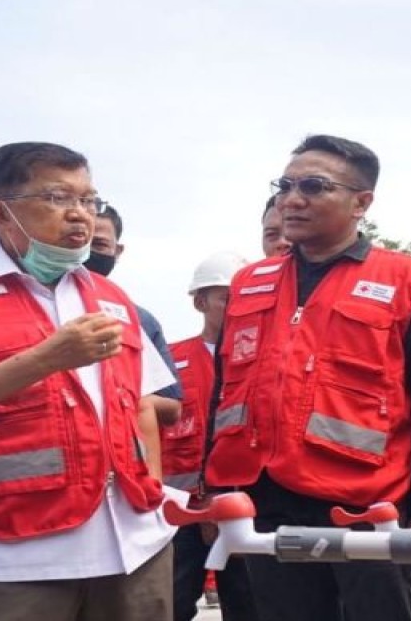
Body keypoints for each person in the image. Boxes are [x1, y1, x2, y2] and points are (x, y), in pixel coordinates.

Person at [0, 142, 180, 621]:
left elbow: (144, 406)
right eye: (57, 198)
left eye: (89, 201)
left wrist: (150, 490)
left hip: (134, 544)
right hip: (9, 552)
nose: (80, 215)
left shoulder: (110, 296)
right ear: (2, 215)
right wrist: (46, 359)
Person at [204, 134, 411, 621]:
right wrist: (213, 485)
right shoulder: (249, 282)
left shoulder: (410, 279)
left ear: (361, 202)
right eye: (285, 185)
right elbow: (224, 389)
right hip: (265, 497)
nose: (292, 199)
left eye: (313, 186)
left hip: (369, 504)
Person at [166, 251, 257, 621]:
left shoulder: (259, 360)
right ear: (201, 301)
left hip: (243, 510)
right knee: (169, 604)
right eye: (226, 298)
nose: (237, 307)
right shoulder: (169, 361)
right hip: (179, 513)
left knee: (249, 605)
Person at [85, 204, 183, 426]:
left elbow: (172, 407)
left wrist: (113, 399)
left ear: (117, 251)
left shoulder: (138, 319)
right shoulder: (37, 305)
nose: (87, 252)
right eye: (82, 242)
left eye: (99, 244)